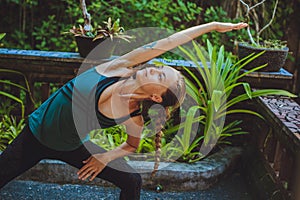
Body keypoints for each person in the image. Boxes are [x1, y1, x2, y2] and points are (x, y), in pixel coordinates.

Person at [0, 21, 247, 199]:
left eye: (161, 74)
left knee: (132, 181)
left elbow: (131, 145)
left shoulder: (133, 118)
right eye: (160, 66)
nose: (155, 67)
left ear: (156, 96)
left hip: (72, 146)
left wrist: (104, 157)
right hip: (36, 134)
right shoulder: (120, 67)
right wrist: (212, 26)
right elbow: (168, 42)